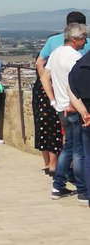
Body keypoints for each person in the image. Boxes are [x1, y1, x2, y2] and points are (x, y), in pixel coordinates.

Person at [33, 12, 86, 176]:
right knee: (79, 148)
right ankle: (81, 185)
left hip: (60, 102)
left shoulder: (54, 45)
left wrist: (52, 98)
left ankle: (58, 179)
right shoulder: (77, 53)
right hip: (77, 103)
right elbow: (75, 82)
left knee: (66, 142)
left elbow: (39, 65)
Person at [42, 22, 88, 201]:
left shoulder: (56, 53)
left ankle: (58, 186)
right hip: (74, 108)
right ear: (75, 39)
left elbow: (45, 77)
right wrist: (73, 104)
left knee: (68, 147)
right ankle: (83, 190)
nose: (86, 41)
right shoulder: (75, 57)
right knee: (78, 151)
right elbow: (75, 84)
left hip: (62, 108)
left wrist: (54, 101)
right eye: (84, 37)